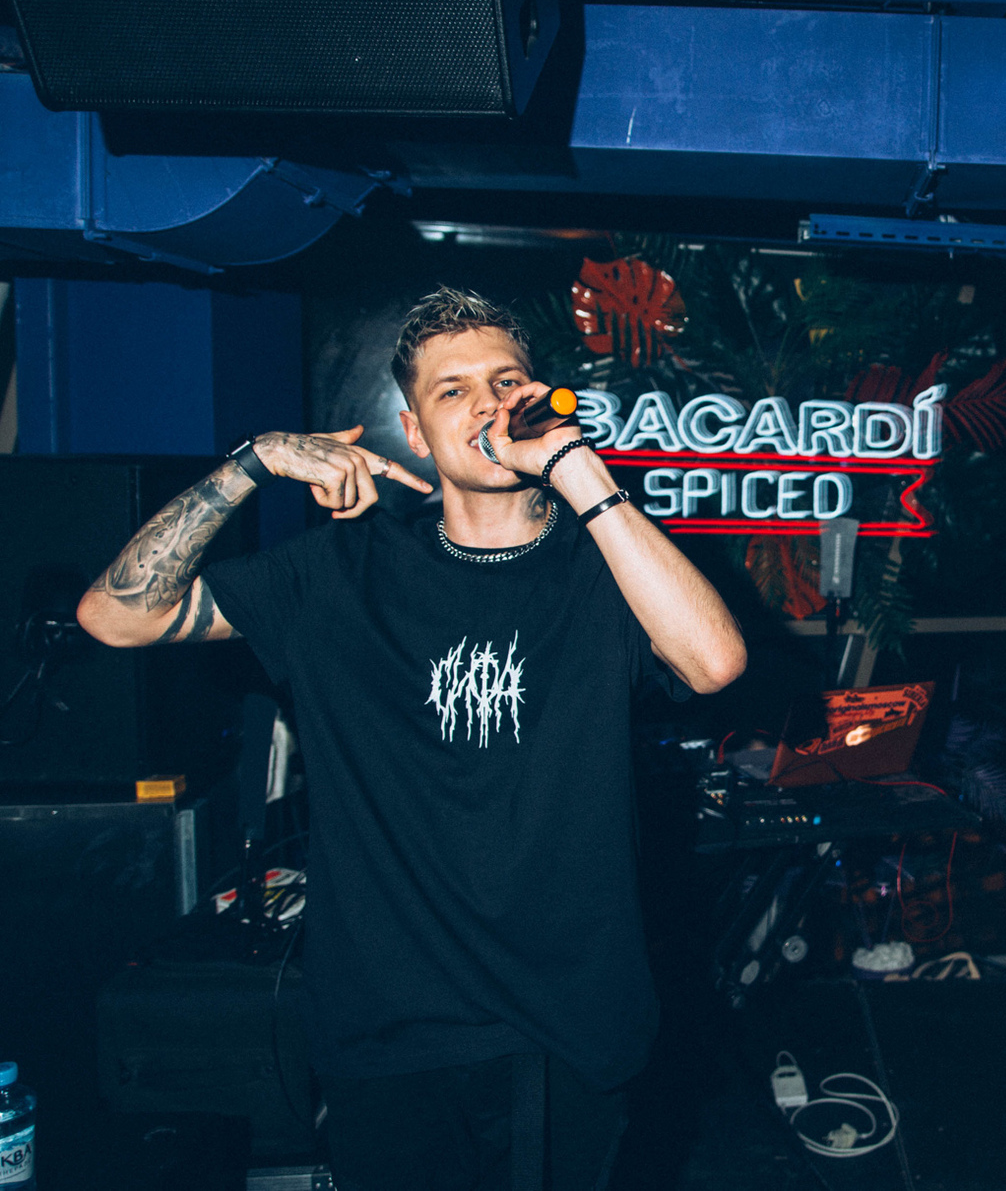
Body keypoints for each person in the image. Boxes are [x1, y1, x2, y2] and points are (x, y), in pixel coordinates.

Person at [77, 287, 747, 1191]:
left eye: (504, 381)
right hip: (389, 1030)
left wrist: (577, 470)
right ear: (414, 430)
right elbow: (114, 617)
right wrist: (252, 464)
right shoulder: (337, 572)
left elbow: (713, 664)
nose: (487, 405)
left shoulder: (607, 562)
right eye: (452, 390)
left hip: (570, 1022)